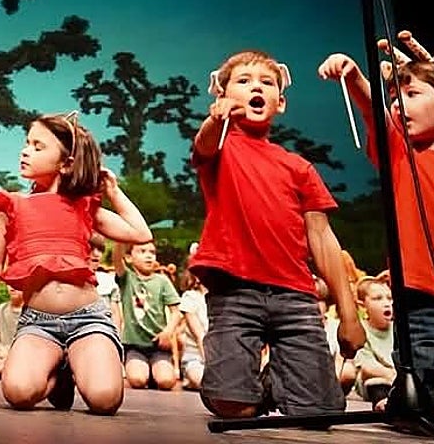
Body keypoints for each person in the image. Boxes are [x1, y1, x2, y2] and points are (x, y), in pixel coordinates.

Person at [192, 50, 364, 419]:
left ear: (280, 103)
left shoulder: (298, 167)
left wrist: (349, 314)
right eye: (243, 81)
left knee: (319, 413)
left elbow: (323, 238)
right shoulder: (220, 147)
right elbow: (204, 144)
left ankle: (282, 379)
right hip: (235, 290)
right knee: (234, 407)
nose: (256, 87)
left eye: (267, 83)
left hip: (295, 295)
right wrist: (215, 119)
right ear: (222, 96)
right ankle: (245, 386)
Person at [0, 110, 153, 415]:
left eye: (38, 146)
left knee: (105, 400)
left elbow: (140, 233)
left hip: (87, 319)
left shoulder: (83, 204)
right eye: (27, 143)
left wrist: (113, 191)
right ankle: (58, 373)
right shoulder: (11, 204)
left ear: (66, 163)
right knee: (18, 393)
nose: (25, 151)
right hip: (38, 323)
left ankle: (77, 363)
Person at [319, 46, 434, 397]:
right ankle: (407, 400)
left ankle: (400, 402)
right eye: (395, 98)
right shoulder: (400, 150)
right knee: (423, 372)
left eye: (412, 94)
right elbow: (374, 111)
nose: (398, 105)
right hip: (417, 292)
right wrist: (355, 77)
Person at [112, 240, 181, 390]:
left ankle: (154, 373)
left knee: (166, 381)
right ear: (129, 257)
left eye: (152, 252)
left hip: (158, 346)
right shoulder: (127, 278)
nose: (149, 256)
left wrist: (168, 332)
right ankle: (144, 372)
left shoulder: (162, 281)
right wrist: (121, 237)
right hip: (134, 346)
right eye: (142, 252)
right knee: (137, 380)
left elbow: (176, 312)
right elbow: (116, 258)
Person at [353, 275, 395, 411]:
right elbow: (367, 367)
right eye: (378, 298)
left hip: (399, 378)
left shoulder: (398, 328)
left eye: (389, 298)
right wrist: (391, 375)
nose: (386, 303)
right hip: (378, 379)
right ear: (363, 306)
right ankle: (382, 403)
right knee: (375, 382)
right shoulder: (361, 330)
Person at [176, 263, 208, 391]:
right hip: (196, 357)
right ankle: (190, 377)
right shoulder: (190, 298)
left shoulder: (223, 299)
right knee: (205, 381)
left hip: (221, 357)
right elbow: (200, 337)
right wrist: (212, 367)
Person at [0, 284, 24, 379]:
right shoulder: (2, 308)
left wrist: (8, 352)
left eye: (17, 283)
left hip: (19, 353)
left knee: (22, 359)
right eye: (9, 284)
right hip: (0, 352)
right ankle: (2, 366)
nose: (12, 287)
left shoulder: (29, 312)